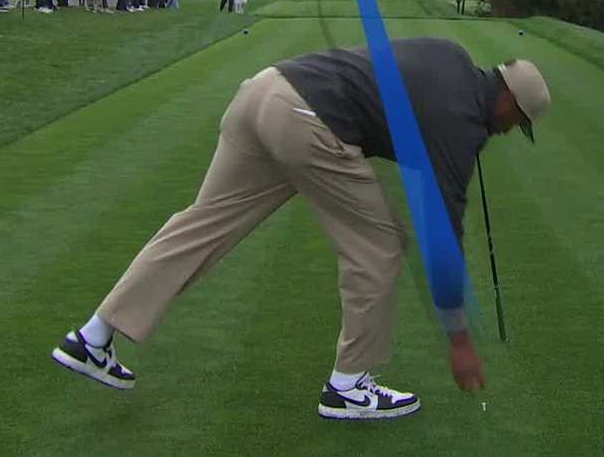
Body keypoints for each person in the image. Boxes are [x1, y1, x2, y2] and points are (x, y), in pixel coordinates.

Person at [49, 39, 551, 420]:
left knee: (201, 225)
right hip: (310, 121)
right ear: (507, 101)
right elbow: (442, 234)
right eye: (516, 123)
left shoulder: (451, 55)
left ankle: (93, 338)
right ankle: (350, 385)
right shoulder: (462, 123)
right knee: (379, 244)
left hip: (261, 92)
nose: (508, 132)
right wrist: (459, 339)